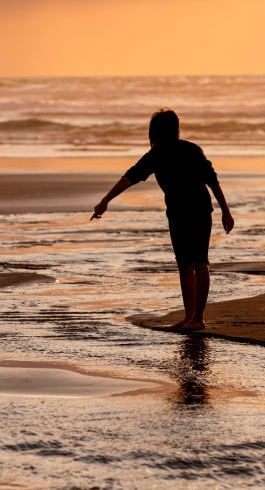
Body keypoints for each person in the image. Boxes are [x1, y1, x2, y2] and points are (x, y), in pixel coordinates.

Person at [90, 108, 233, 331]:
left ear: (154, 132)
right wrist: (225, 210)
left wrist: (105, 200)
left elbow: (129, 178)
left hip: (195, 213)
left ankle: (197, 319)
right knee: (187, 264)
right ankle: (190, 318)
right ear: (175, 129)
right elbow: (131, 176)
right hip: (180, 214)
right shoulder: (177, 152)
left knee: (197, 263)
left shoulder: (177, 153)